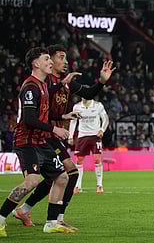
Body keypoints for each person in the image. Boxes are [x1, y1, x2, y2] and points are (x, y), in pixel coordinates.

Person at [13, 44, 115, 230]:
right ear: (50, 60)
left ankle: (32, 211)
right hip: (43, 133)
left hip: (54, 133)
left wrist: (101, 81)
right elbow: (38, 115)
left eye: (66, 58)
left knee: (60, 176)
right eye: (61, 57)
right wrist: (62, 118)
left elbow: (88, 93)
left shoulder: (66, 81)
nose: (65, 62)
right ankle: (51, 218)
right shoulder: (45, 81)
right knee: (66, 173)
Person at [0, 47, 78, 236]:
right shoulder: (31, 87)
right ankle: (1, 217)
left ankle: (51, 223)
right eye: (46, 59)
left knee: (62, 177)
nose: (50, 62)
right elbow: (29, 119)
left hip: (41, 141)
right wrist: (54, 128)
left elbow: (43, 113)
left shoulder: (43, 86)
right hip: (26, 141)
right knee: (32, 181)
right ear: (36, 64)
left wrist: (63, 114)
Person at [68, 98, 109, 194]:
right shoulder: (77, 107)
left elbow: (105, 118)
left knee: (97, 159)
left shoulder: (98, 105)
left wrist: (102, 130)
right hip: (82, 136)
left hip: (95, 135)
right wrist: (70, 136)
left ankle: (99, 185)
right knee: (79, 160)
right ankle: (78, 186)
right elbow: (73, 121)